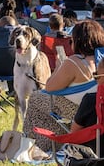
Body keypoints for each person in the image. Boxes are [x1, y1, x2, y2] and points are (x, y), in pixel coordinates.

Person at [24, 20, 104, 151]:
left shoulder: (74, 62)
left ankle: (32, 144)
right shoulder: (102, 59)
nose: (71, 43)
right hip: (98, 110)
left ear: (79, 40)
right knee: (48, 105)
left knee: (35, 98)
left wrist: (59, 66)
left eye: (71, 40)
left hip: (79, 112)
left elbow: (49, 87)